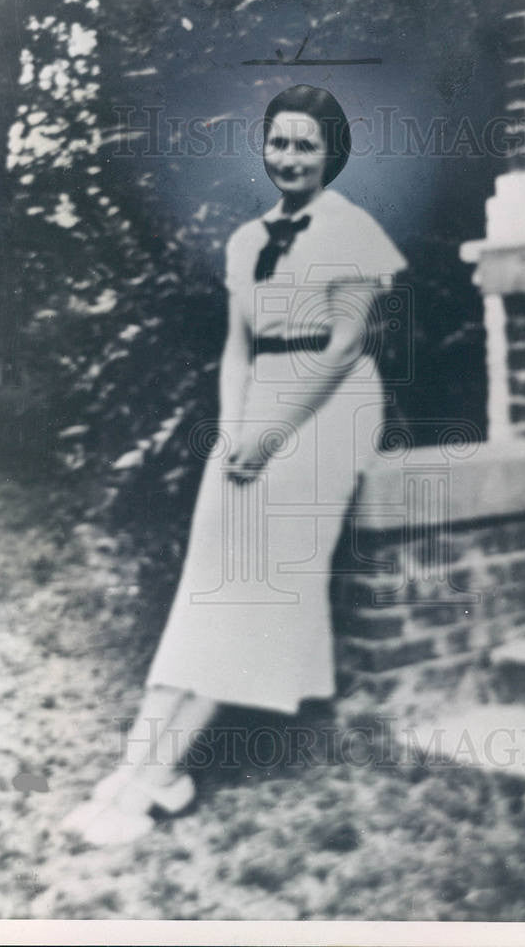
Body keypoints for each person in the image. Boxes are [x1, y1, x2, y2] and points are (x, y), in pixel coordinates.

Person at [63, 84, 407, 846]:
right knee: (208, 581)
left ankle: (158, 774)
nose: (288, 157)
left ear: (331, 154)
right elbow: (236, 346)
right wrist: (235, 432)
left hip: (328, 410)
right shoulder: (247, 239)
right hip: (254, 409)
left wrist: (273, 432)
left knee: (254, 592)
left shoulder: (354, 230)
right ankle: (141, 762)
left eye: (305, 145)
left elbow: (346, 346)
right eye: (278, 142)